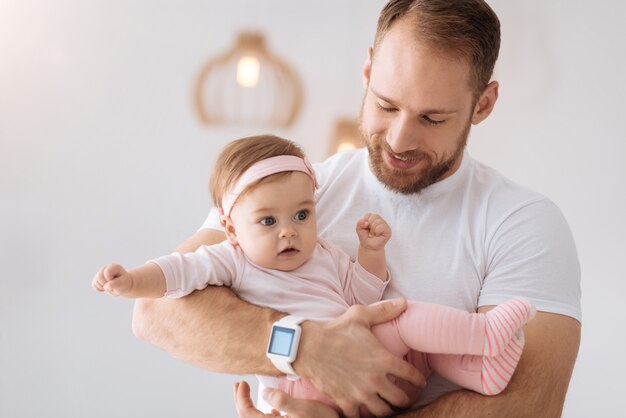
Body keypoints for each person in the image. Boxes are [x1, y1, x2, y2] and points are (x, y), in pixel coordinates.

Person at [132, 1, 582, 417]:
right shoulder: (290, 191)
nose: (400, 140)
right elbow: (156, 312)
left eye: (433, 118)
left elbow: (528, 405)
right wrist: (307, 348)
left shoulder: (523, 223)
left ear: (482, 104)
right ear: (367, 71)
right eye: (387, 104)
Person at [94, 135, 535, 414]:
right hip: (299, 387)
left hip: (356, 380)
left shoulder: (322, 254)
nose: (289, 231)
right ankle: (483, 335)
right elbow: (175, 275)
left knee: (418, 341)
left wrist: (370, 253)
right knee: (403, 317)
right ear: (231, 228)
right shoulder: (232, 258)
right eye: (268, 222)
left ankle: (480, 374)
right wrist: (131, 280)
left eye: (302, 214)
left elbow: (364, 294)